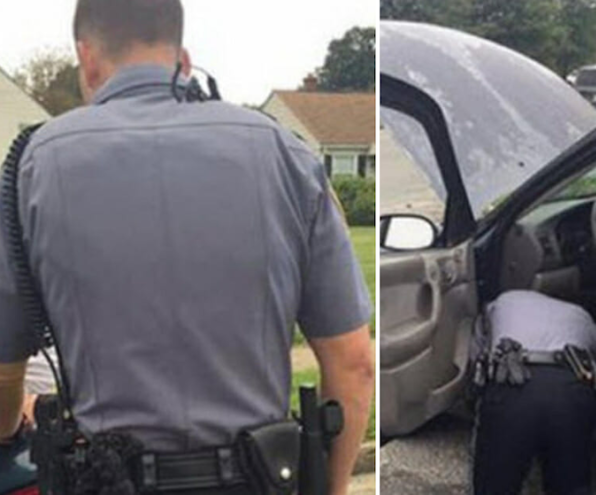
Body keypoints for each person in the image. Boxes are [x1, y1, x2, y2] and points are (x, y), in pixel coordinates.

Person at [0, 1, 374, 494]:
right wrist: (331, 487)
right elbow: (354, 363)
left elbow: (5, 369)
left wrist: (10, 431)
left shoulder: (32, 167)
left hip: (108, 480)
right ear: (185, 60)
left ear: (86, 58)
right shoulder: (286, 154)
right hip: (260, 478)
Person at [472, 291, 596, 495]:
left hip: (515, 386)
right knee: (571, 486)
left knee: (496, 485)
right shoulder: (583, 315)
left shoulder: (502, 301)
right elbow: (593, 351)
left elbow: (479, 359)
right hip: (571, 388)